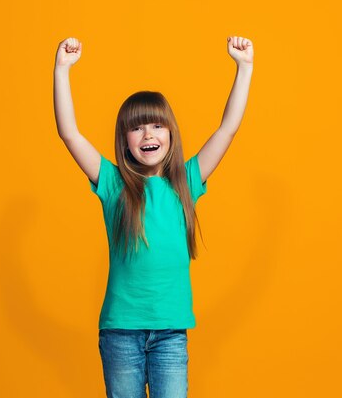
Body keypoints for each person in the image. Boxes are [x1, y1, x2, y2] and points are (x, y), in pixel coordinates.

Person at [53, 35, 253, 398]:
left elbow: (227, 129)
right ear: (124, 139)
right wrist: (62, 70)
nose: (148, 134)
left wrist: (244, 68)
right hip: (121, 335)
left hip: (170, 335)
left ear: (171, 134)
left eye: (157, 125)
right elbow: (69, 134)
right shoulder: (113, 184)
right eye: (137, 127)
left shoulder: (187, 182)